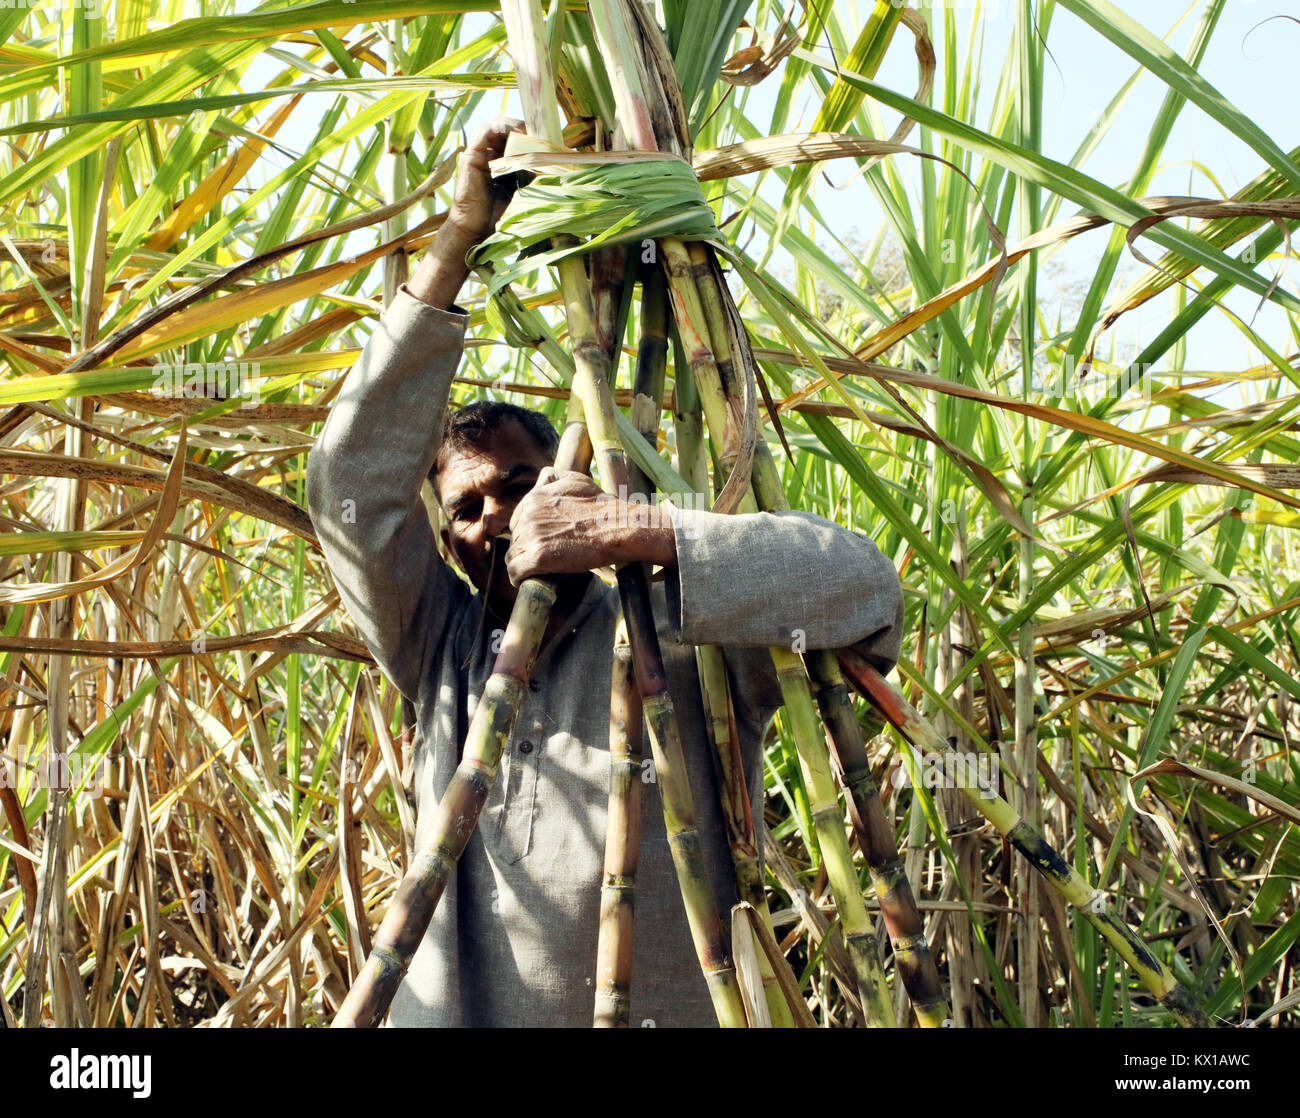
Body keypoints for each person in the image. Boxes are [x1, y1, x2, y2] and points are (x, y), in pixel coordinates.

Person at [306, 118, 905, 1027]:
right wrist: (460, 239)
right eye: (465, 508)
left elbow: (867, 590)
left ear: (564, 483)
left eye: (517, 485)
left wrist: (632, 530)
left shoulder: (679, 628)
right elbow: (347, 480)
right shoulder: (436, 645)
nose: (493, 516)